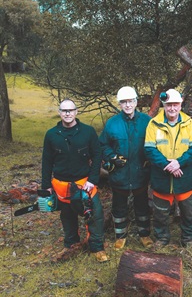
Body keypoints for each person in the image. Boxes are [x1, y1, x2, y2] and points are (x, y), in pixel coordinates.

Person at [41, 99, 108, 263]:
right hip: (61, 184)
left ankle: (97, 247)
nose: (67, 113)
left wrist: (92, 180)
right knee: (67, 216)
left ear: (76, 112)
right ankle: (71, 244)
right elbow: (47, 161)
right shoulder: (51, 135)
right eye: (64, 111)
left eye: (70, 110)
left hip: (84, 183)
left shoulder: (88, 132)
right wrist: (46, 186)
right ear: (59, 112)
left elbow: (97, 155)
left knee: (95, 215)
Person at [144, 89, 192, 247]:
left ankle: (188, 239)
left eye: (175, 105)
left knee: (188, 212)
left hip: (183, 175)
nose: (172, 108)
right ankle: (162, 238)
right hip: (161, 176)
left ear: (180, 104)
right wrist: (168, 165)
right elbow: (149, 149)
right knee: (160, 213)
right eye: (169, 105)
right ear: (163, 105)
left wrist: (178, 163)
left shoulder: (189, 123)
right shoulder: (153, 124)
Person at [99, 86, 153, 250]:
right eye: (124, 102)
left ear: (136, 101)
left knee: (142, 205)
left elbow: (155, 143)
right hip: (120, 174)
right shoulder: (112, 123)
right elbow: (103, 144)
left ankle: (145, 235)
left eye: (130, 101)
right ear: (120, 104)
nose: (128, 105)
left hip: (140, 172)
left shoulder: (146, 121)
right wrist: (112, 157)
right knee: (119, 206)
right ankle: (120, 236)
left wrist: (149, 160)